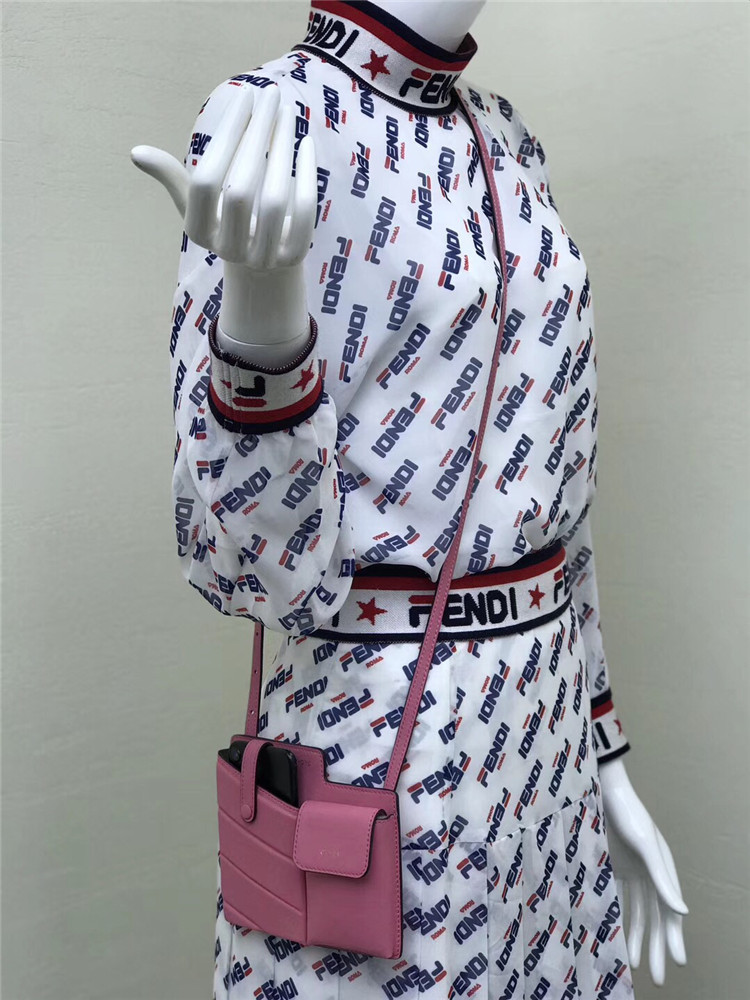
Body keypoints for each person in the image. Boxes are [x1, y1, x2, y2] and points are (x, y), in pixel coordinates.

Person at [132, 1, 687, 996]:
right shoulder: (274, 116)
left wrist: (606, 757)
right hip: (382, 740)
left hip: (547, 745)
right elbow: (248, 573)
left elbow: (560, 508)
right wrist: (261, 328)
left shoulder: (507, 138)